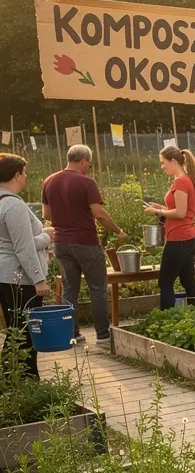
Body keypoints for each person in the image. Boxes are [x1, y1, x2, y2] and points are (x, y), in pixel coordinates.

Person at [42, 144, 125, 343]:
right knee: (97, 287)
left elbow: (47, 214)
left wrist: (65, 216)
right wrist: (118, 231)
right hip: (86, 242)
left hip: (62, 242)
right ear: (84, 160)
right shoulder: (86, 182)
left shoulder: (49, 181)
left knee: (70, 289)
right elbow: (99, 214)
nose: (89, 167)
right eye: (89, 163)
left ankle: (72, 334)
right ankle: (102, 335)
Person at [0, 154, 52, 378]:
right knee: (26, 332)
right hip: (20, 277)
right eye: (25, 172)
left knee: (15, 329)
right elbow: (23, 247)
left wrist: (41, 237)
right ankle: (26, 379)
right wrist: (39, 279)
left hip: (5, 276)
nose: (26, 176)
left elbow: (10, 242)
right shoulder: (13, 205)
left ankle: (10, 378)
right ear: (17, 175)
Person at [144, 145, 195, 310]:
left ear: (173, 161)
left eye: (163, 163)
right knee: (187, 279)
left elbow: (181, 213)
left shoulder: (180, 182)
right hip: (189, 237)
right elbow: (179, 210)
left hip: (180, 238)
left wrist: (157, 212)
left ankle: (166, 317)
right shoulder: (185, 180)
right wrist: (162, 208)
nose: (162, 167)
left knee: (165, 282)